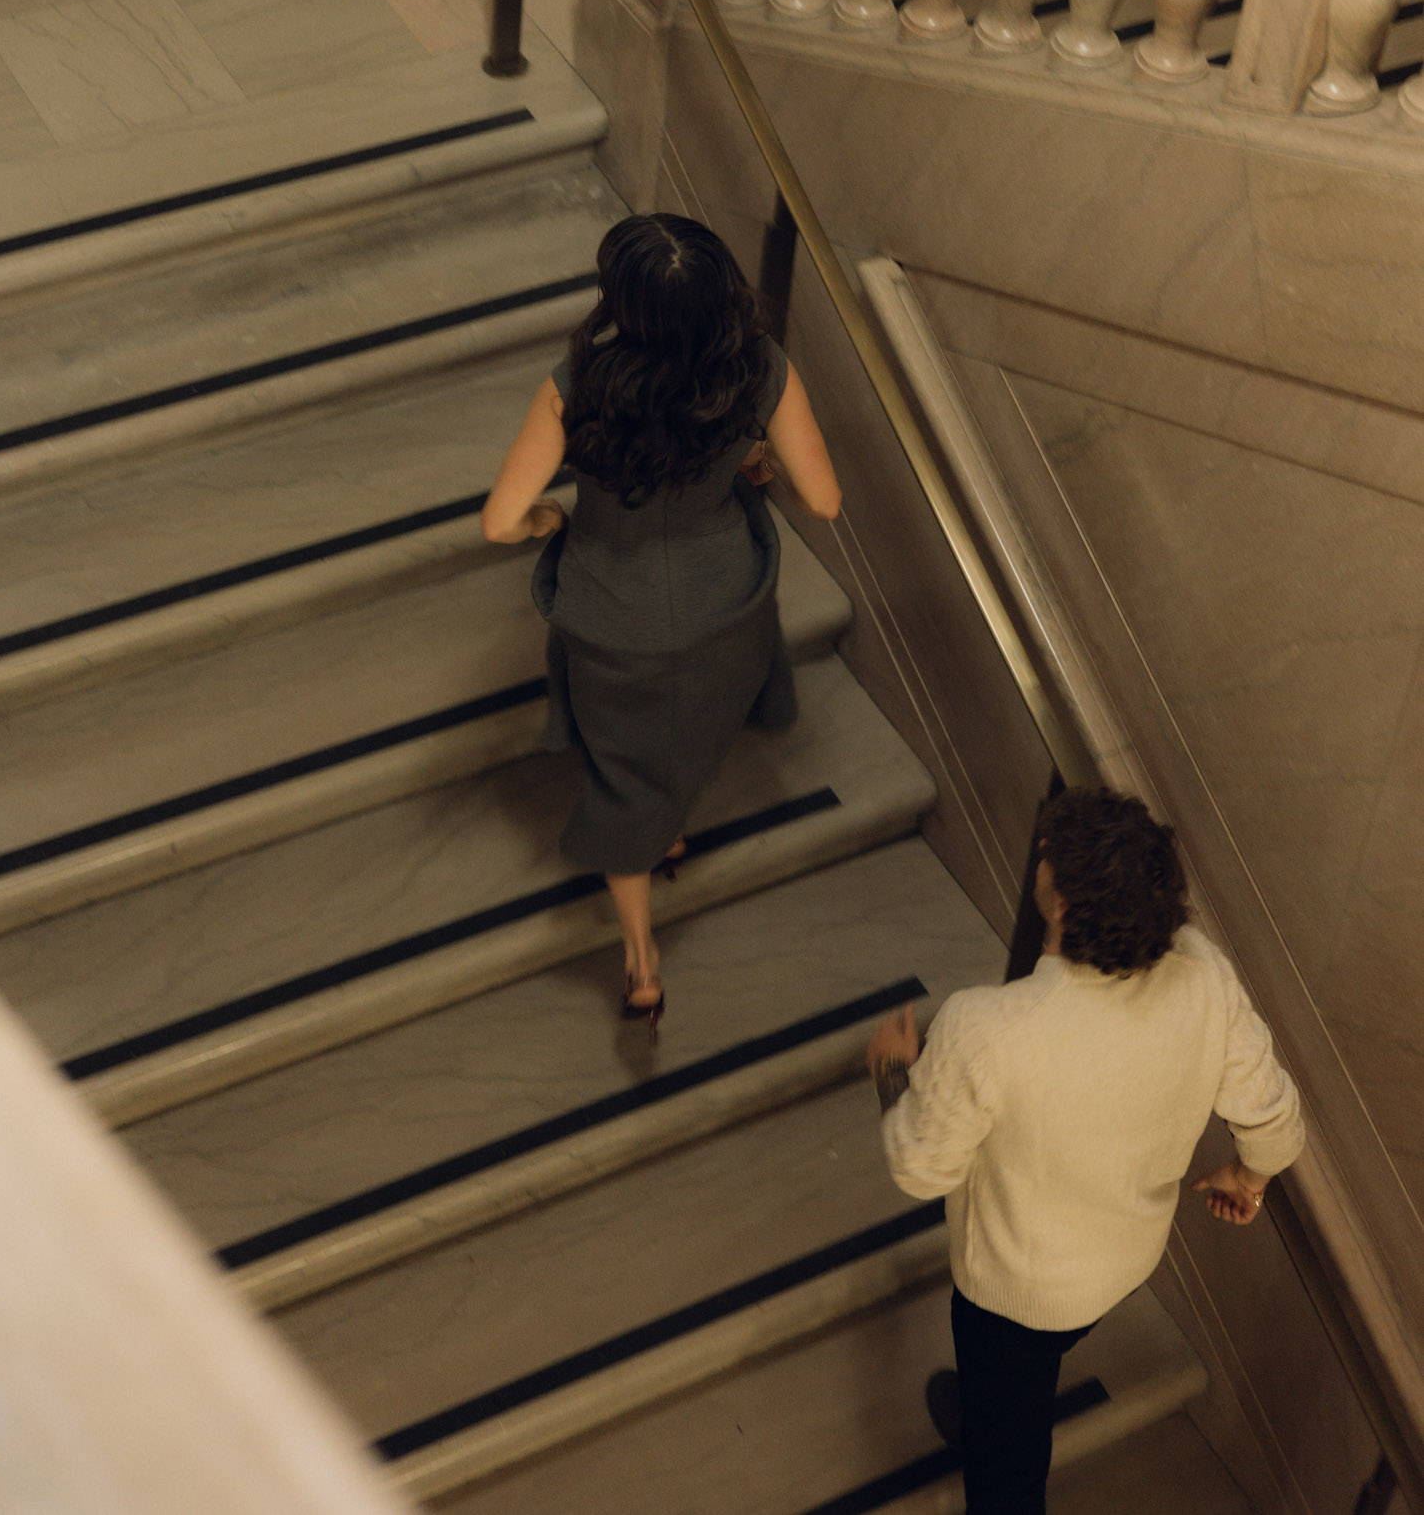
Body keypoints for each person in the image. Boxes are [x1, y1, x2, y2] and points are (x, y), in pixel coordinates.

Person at [866, 784, 1304, 1513]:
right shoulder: (1200, 968)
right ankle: (989, 1412)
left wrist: (891, 1070)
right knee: (1030, 1372)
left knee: (1007, 1476)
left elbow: (921, 1167)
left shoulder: (988, 1028)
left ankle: (995, 1425)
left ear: (1063, 905)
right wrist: (1248, 1177)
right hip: (1125, 1261)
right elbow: (1277, 1124)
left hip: (1013, 1298)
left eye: (1050, 856)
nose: (1041, 854)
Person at [482, 212, 841, 1033]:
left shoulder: (576, 388)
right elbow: (824, 499)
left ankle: (642, 961)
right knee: (694, 731)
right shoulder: (762, 373)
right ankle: (669, 818)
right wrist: (751, 465)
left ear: (623, 305)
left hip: (614, 618)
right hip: (725, 604)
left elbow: (501, 519)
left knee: (624, 786)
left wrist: (549, 525)